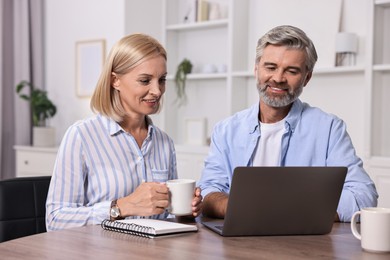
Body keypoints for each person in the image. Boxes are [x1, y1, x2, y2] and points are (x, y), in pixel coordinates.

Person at [198, 25, 378, 222]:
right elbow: (208, 190)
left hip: (303, 246)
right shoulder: (226, 130)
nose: (278, 78)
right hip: (237, 242)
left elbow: (363, 195)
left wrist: (294, 210)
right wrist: (239, 207)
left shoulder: (329, 130)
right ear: (256, 68)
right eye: (271, 67)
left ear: (306, 78)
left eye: (291, 71)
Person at [46, 33, 202, 231]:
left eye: (161, 80)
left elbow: (165, 217)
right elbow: (55, 220)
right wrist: (121, 207)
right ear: (115, 81)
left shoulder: (164, 142)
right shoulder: (81, 136)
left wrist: (185, 212)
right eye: (145, 80)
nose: (157, 90)